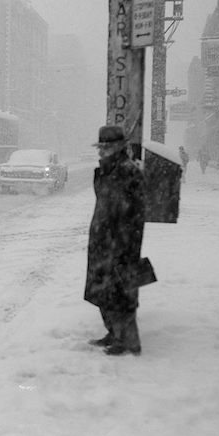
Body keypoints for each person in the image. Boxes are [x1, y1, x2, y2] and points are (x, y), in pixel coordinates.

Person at [84, 125, 145, 356]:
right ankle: (114, 332)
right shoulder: (109, 169)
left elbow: (132, 213)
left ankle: (127, 340)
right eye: (100, 147)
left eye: (105, 147)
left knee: (121, 293)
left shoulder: (127, 171)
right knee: (103, 291)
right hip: (104, 241)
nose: (101, 152)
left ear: (118, 147)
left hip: (120, 244)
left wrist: (122, 245)